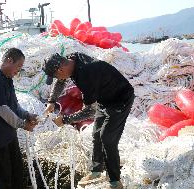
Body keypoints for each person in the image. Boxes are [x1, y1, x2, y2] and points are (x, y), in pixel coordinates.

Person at [42, 52, 134, 189]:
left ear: (60, 69)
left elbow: (90, 111)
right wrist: (51, 101)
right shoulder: (72, 58)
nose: (57, 78)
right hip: (104, 98)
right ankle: (96, 171)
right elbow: (60, 81)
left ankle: (115, 180)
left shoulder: (86, 76)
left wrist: (66, 120)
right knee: (96, 134)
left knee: (107, 138)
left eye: (55, 75)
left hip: (120, 100)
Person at [0, 48, 38, 189]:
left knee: (17, 172)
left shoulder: (7, 78)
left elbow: (14, 105)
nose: (18, 71)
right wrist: (23, 124)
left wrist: (27, 115)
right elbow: (3, 110)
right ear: (9, 60)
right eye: (18, 66)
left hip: (9, 134)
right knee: (3, 178)